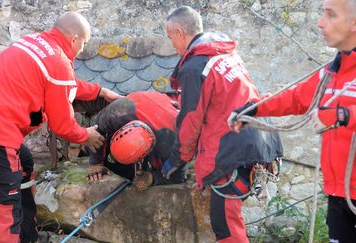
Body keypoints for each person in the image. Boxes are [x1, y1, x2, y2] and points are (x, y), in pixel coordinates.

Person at [0, 12, 122, 243]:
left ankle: (28, 236)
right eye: (84, 43)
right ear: (74, 39)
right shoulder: (58, 62)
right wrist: (87, 136)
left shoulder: (36, 42)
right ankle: (14, 235)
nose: (83, 49)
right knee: (6, 207)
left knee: (24, 162)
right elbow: (63, 126)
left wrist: (100, 91)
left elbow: (62, 84)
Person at [229, 0, 356, 241]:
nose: (320, 23)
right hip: (340, 197)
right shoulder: (330, 73)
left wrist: (343, 115)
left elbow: (345, 113)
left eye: (330, 15)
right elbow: (296, 98)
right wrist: (253, 110)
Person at [161, 6, 283, 242]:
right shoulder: (225, 54)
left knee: (226, 226)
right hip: (257, 140)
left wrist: (176, 161)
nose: (172, 45)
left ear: (180, 32)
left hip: (232, 149)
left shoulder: (196, 66)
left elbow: (190, 120)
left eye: (170, 37)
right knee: (228, 221)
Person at [84, 91, 187, 191]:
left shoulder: (171, 143)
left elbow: (178, 176)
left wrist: (152, 178)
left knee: (156, 167)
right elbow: (97, 129)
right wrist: (96, 163)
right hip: (141, 104)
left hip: (169, 115)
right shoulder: (119, 111)